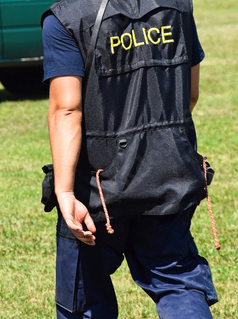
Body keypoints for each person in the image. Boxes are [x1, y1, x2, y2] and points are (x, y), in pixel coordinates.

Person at [41, 0, 219, 318]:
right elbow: (189, 95)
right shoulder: (177, 6)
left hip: (96, 192)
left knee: (84, 302)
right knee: (179, 287)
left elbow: (66, 109)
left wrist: (65, 191)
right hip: (169, 177)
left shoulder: (65, 18)